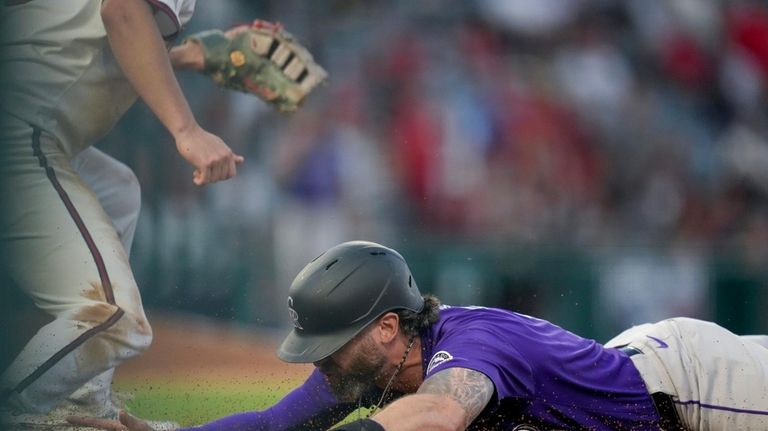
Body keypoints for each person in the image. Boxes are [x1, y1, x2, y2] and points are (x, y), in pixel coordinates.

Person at [72, 240, 768, 431]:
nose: (319, 362)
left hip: (701, 389)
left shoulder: (466, 351)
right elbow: (274, 423)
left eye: (328, 343)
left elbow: (437, 414)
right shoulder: (375, 365)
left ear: (384, 327)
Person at [0, 0, 245, 428]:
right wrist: (186, 130)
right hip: (21, 129)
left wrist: (190, 56)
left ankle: (82, 401)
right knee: (116, 317)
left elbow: (97, 36)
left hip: (33, 127)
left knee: (117, 191)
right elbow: (123, 11)